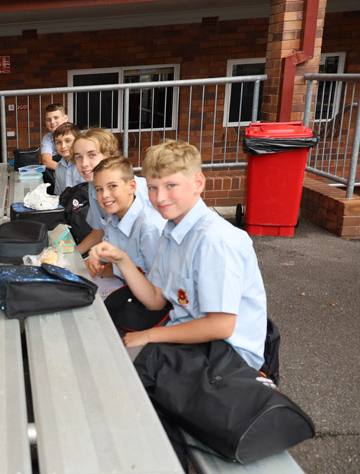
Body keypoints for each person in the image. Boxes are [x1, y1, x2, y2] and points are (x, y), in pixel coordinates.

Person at [88, 140, 267, 371]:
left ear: (198, 183)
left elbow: (220, 326)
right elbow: (155, 300)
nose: (160, 198)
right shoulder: (171, 231)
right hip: (185, 338)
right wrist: (121, 259)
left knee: (111, 368)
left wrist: (149, 336)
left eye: (171, 185)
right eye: (153, 188)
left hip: (224, 357)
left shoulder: (215, 240)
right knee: (100, 349)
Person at [71, 128, 153, 272]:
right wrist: (71, 257)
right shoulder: (93, 187)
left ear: (110, 156)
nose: (84, 163)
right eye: (78, 157)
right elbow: (99, 232)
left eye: (92, 155)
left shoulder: (136, 196)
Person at [90, 155, 166, 282]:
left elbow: (159, 282)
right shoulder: (112, 220)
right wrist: (97, 264)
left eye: (112, 186)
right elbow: (108, 263)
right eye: (99, 189)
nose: (105, 195)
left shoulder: (149, 227)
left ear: (132, 187)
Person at [51, 122, 85, 195]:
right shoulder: (59, 166)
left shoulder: (85, 164)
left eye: (68, 141)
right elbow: (59, 194)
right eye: (58, 142)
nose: (63, 146)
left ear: (77, 141)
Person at [39, 103, 68, 171]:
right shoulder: (47, 138)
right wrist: (66, 171)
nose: (52, 122)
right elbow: (46, 161)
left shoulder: (74, 135)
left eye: (56, 118)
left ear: (65, 118)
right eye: (48, 119)